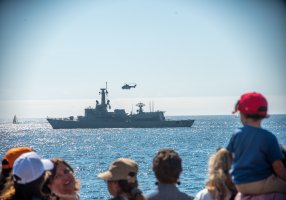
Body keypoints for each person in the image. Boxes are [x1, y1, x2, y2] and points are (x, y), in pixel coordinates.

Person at [226, 92, 286, 195]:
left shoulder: (236, 134)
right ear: (263, 115)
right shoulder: (268, 137)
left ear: (243, 115)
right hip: (260, 183)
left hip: (239, 184)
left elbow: (228, 157)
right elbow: (277, 166)